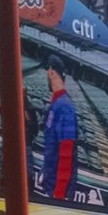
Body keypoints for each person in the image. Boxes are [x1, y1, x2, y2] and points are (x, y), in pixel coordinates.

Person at [36, 55, 79, 201]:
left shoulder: (65, 106)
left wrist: (59, 194)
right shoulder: (56, 104)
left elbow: (66, 150)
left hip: (59, 193)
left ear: (52, 72)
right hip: (51, 187)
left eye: (47, 72)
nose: (46, 76)